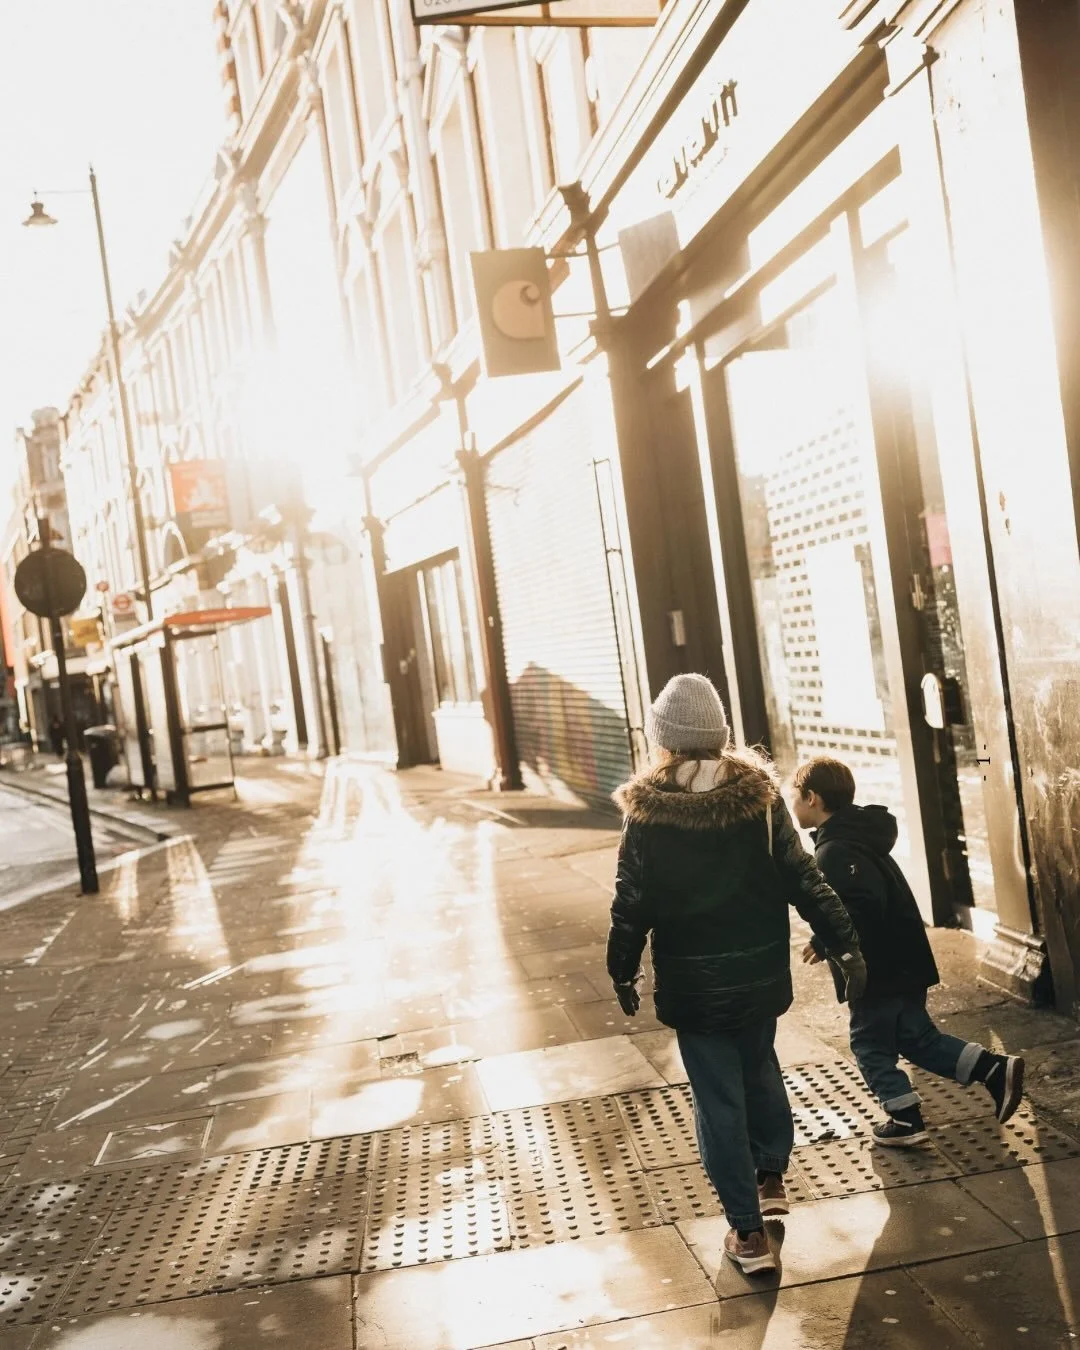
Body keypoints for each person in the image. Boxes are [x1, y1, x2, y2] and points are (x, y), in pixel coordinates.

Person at [607, 674, 867, 1276]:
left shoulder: (646, 810)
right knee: (759, 1065)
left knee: (717, 1099)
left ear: (664, 740)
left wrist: (623, 970)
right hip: (757, 973)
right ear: (720, 735)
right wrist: (845, 943)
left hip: (693, 985)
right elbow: (803, 876)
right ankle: (770, 1173)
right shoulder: (760, 796)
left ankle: (748, 1236)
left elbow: (631, 900)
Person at [792, 755, 1025, 1145]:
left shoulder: (835, 851)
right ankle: (993, 1069)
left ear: (813, 798)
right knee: (916, 1038)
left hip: (877, 969)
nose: (793, 806)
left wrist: (823, 940)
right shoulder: (856, 838)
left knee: (868, 1043)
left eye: (794, 798)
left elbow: (860, 907)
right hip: (902, 962)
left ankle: (903, 1117)